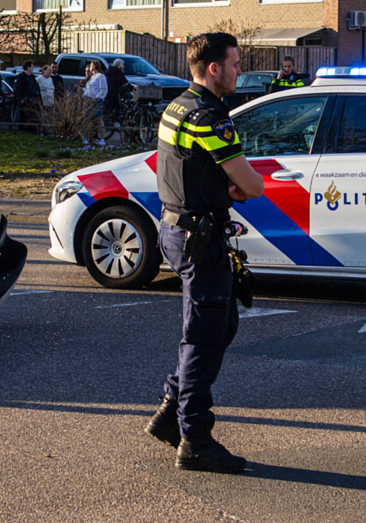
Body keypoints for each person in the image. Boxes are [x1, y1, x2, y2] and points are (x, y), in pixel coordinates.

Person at [145, 32, 264, 474]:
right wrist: (237, 186)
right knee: (203, 338)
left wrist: (221, 183)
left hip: (178, 229)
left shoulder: (178, 106)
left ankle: (169, 412)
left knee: (219, 324)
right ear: (214, 69)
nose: (239, 71)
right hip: (198, 237)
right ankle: (194, 439)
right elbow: (252, 185)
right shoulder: (208, 117)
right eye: (234, 63)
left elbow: (189, 168)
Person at [80, 61, 107, 146]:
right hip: (88, 100)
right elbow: (91, 89)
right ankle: (86, 137)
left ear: (94, 66)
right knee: (86, 119)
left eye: (91, 66)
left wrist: (97, 97)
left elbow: (103, 89)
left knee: (98, 120)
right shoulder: (92, 77)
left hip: (96, 101)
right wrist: (84, 92)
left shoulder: (100, 76)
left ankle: (102, 139)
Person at [13, 61, 42, 132]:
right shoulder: (21, 78)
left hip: (34, 103)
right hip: (26, 104)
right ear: (28, 68)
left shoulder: (32, 78)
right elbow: (17, 90)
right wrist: (21, 100)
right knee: (25, 122)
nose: (33, 69)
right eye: (32, 67)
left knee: (34, 122)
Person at [36, 64, 55, 134]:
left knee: (49, 118)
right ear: (44, 70)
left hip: (50, 102)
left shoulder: (50, 79)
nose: (51, 72)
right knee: (44, 118)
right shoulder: (38, 79)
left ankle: (48, 132)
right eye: (49, 70)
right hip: (43, 102)